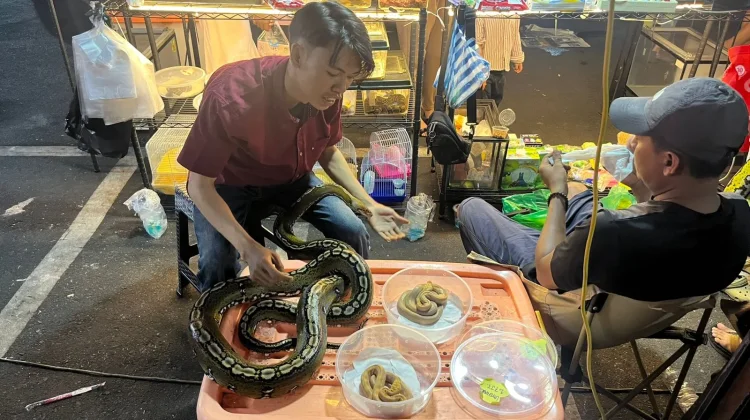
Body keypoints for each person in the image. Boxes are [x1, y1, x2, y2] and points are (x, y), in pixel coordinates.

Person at [178, 2, 408, 292]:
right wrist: (247, 247)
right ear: (298, 55)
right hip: (230, 185)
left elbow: (328, 152)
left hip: (293, 179)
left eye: (350, 77)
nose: (342, 88)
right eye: (333, 73)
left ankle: (349, 299)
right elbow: (199, 186)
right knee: (217, 265)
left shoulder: (328, 94)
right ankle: (218, 312)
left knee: (353, 231)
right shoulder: (231, 97)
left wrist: (368, 205)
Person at [458, 77, 750, 304]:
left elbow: (546, 274)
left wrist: (557, 191)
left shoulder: (612, 231)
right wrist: (639, 184)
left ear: (669, 162)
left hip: (573, 303)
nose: (630, 143)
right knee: (579, 191)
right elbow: (667, 219)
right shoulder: (739, 212)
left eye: (640, 137)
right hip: (638, 305)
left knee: (472, 208)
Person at [476, 16, 524, 108]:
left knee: (496, 102)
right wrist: (481, 73)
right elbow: (478, 43)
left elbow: (515, 34)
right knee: (482, 104)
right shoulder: (483, 13)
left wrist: (517, 58)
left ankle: (492, 116)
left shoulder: (513, 13)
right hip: (485, 68)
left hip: (501, 68)